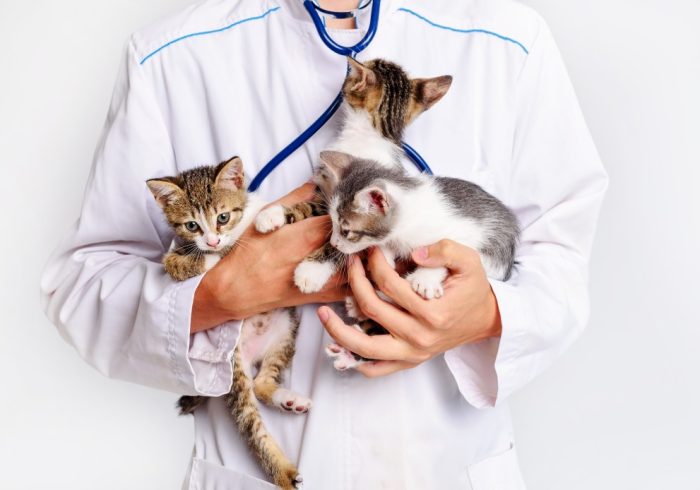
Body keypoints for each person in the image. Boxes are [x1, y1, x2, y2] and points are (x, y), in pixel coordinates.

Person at [40, 0, 608, 488]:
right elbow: (85, 285)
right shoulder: (170, 57)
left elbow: (560, 261)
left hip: (449, 466)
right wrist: (224, 290)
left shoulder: (509, 43)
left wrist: (485, 313)